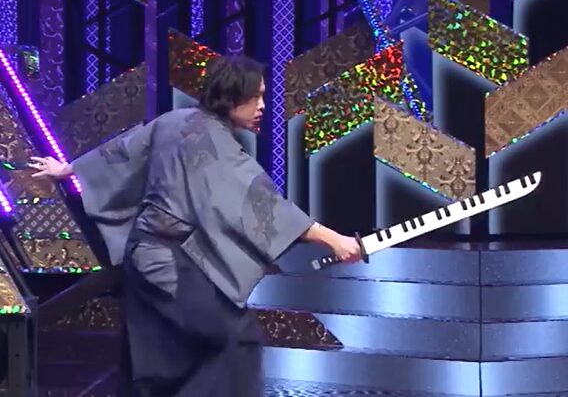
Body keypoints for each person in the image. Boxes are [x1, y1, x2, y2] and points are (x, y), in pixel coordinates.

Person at [30, 55, 361, 396]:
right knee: (233, 342)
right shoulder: (214, 143)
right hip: (167, 265)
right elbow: (264, 204)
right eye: (255, 96)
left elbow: (122, 151)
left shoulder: (175, 120)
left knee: (161, 360)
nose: (262, 106)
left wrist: (67, 169)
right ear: (231, 96)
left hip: (145, 260)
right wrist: (333, 240)